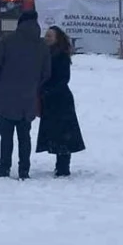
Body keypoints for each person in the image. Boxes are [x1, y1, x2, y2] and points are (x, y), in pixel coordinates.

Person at [0, 9, 51, 180]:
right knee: (25, 136)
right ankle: (24, 169)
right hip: (28, 98)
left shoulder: (7, 40)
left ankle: (4, 168)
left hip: (5, 98)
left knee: (6, 136)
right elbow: (46, 72)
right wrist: (35, 87)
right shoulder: (41, 45)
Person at [36, 25, 86, 177]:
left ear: (57, 39)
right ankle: (60, 164)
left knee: (64, 133)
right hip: (49, 98)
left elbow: (63, 79)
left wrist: (47, 90)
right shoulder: (44, 53)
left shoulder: (61, 55)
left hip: (60, 99)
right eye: (46, 35)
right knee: (55, 132)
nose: (47, 38)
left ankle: (63, 166)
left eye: (50, 36)